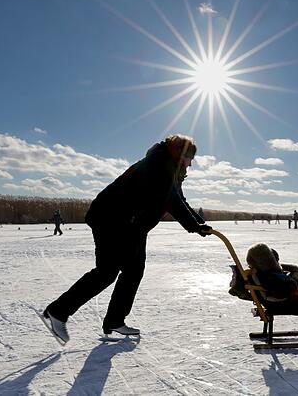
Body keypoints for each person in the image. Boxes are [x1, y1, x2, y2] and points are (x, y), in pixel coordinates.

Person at [42, 134, 211, 344]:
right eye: (189, 158)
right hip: (111, 219)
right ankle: (57, 312)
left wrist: (198, 222)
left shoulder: (169, 169)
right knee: (106, 272)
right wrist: (194, 226)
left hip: (132, 226)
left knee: (134, 270)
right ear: (179, 154)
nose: (191, 164)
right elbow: (172, 200)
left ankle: (114, 320)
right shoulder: (159, 165)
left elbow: (178, 198)